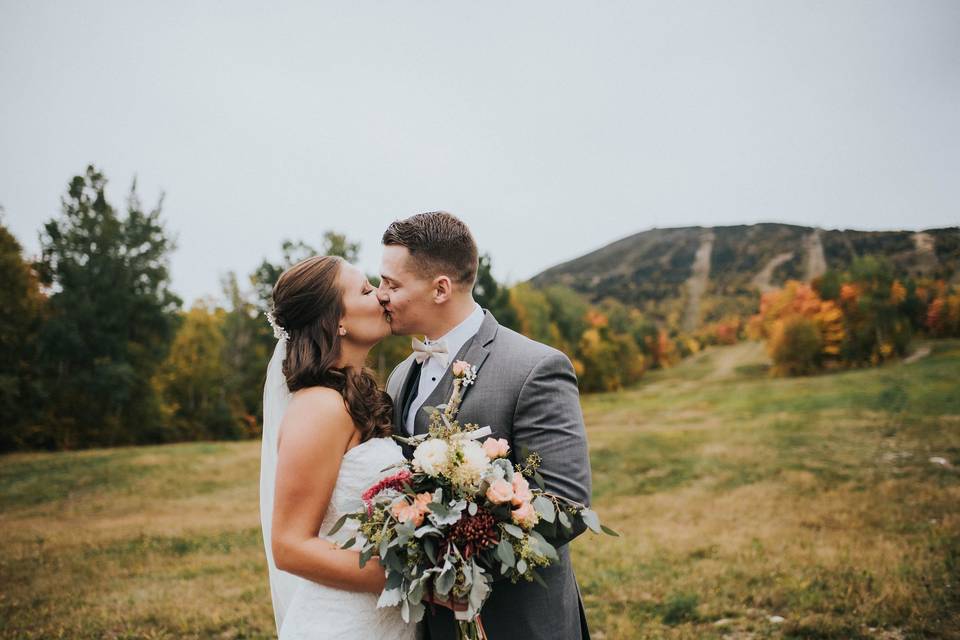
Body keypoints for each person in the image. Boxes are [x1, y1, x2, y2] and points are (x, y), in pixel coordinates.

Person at [378, 211, 594, 639]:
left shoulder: (534, 367)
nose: (380, 294)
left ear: (440, 288)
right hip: (429, 624)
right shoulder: (401, 374)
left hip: (517, 622)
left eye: (392, 283)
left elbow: (567, 506)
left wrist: (453, 561)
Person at [258, 255, 418, 640]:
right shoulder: (319, 408)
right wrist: (406, 575)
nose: (381, 296)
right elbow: (289, 546)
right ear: (337, 322)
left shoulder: (351, 398)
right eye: (365, 290)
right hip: (341, 625)